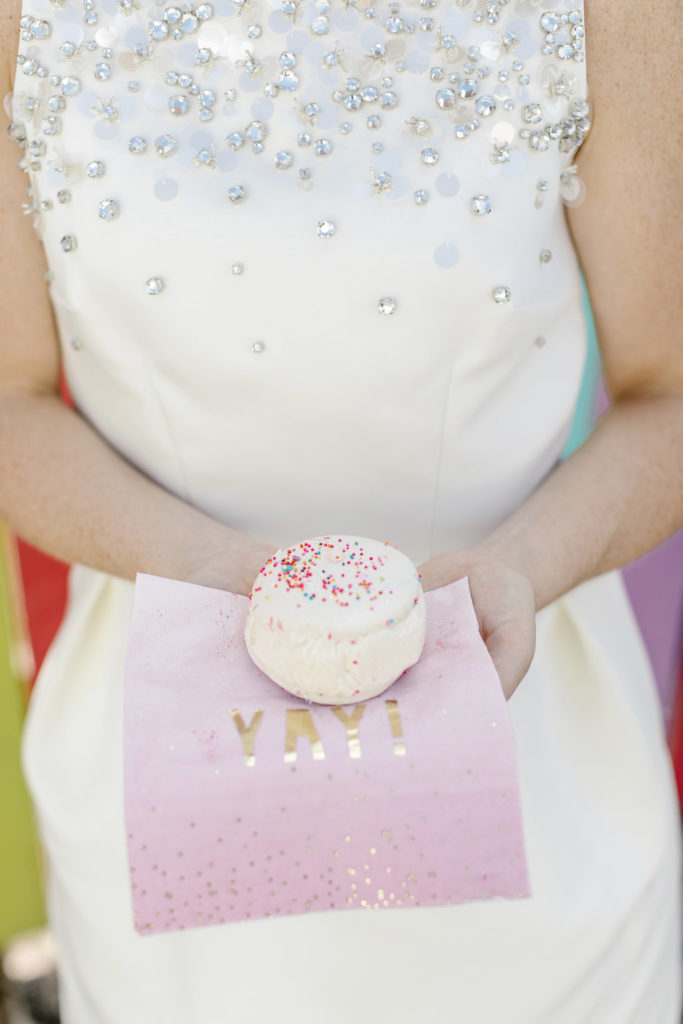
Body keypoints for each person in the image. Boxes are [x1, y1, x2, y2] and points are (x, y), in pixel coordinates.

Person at [1, 0, 682, 1019]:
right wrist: (227, 577)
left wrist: (522, 566)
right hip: (172, 759)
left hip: (519, 734)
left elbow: (664, 396)